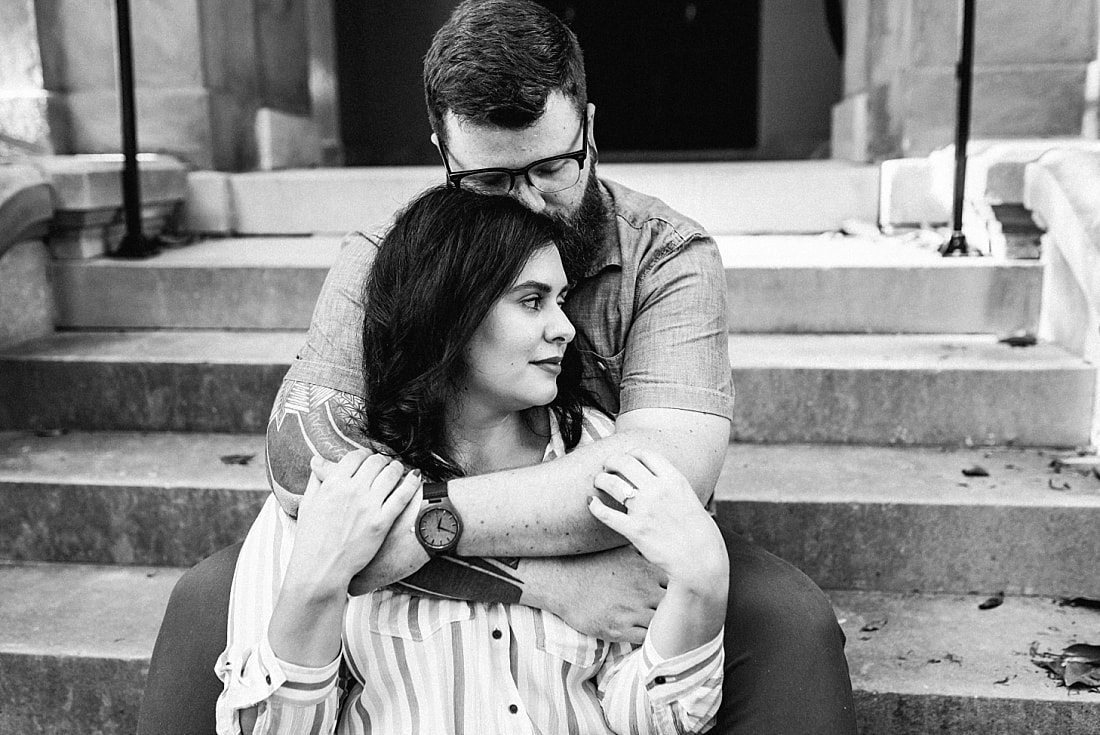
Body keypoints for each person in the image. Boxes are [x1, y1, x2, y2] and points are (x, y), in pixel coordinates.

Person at [138, 2, 856, 733]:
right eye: (490, 180)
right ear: (443, 155)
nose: (529, 205)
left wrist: (416, 526)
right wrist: (531, 581)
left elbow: (660, 476)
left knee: (791, 626)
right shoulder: (397, 257)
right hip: (448, 496)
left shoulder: (667, 253)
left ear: (591, 131)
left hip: (613, 536)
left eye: (551, 168)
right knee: (209, 601)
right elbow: (300, 458)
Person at [217, 186, 729, 734]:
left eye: (560, 300)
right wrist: (317, 585)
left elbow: (651, 722)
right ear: (450, 315)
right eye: (532, 301)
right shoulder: (339, 486)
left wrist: (704, 584)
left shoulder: (601, 466)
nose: (565, 328)